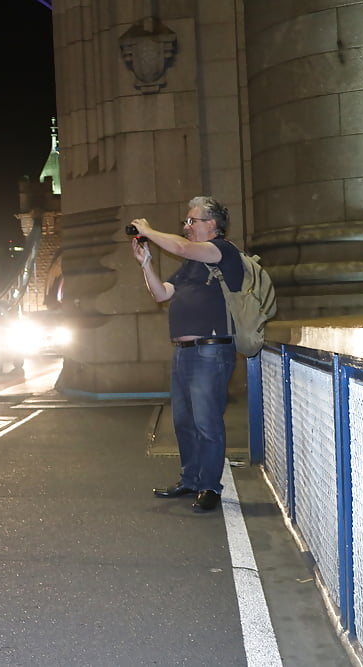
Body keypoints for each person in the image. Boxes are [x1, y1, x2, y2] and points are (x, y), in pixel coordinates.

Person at [130, 196, 243, 513]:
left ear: (212, 225)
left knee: (207, 421)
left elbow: (180, 246)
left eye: (192, 221)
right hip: (183, 353)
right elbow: (160, 294)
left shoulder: (222, 251)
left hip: (211, 350)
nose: (186, 226)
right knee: (183, 421)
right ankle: (191, 479)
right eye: (186, 221)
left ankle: (210, 486)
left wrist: (149, 230)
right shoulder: (191, 266)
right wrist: (146, 263)